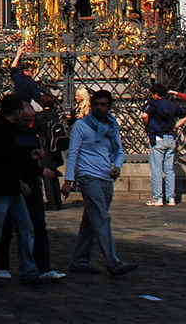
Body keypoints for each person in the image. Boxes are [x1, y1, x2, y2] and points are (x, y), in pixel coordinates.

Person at [0, 94, 48, 287]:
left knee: (26, 229)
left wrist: (27, 155)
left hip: (11, 190)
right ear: (16, 112)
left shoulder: (5, 129)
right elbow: (9, 159)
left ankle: (29, 272)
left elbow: (13, 156)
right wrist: (38, 169)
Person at [63, 89, 136, 276]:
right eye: (96, 104)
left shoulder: (112, 126)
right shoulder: (81, 126)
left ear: (109, 107)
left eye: (103, 105)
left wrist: (117, 167)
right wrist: (69, 179)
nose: (99, 108)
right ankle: (113, 262)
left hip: (106, 177)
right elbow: (73, 153)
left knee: (91, 221)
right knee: (102, 218)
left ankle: (79, 260)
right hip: (89, 177)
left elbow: (119, 151)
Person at [0, 98, 66, 281]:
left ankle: (42, 267)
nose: (28, 123)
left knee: (38, 225)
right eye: (25, 120)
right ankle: (1, 265)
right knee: (7, 227)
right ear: (17, 115)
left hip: (32, 182)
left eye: (31, 120)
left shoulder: (31, 133)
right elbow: (7, 160)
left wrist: (37, 158)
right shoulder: (8, 133)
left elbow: (27, 156)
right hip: (14, 184)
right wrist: (20, 180)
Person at [141, 84, 181, 206]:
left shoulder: (154, 105)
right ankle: (171, 198)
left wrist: (147, 126)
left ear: (155, 94)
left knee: (156, 170)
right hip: (170, 138)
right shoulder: (172, 105)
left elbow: (144, 115)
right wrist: (175, 127)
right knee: (169, 169)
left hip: (158, 138)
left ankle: (157, 198)